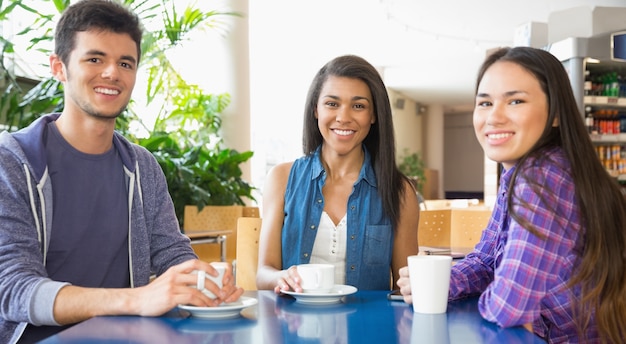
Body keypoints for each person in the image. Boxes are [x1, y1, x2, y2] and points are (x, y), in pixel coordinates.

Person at [0, 1, 243, 342]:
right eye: (95, 59)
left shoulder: (142, 166)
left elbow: (173, 254)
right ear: (59, 67)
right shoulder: (12, 161)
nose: (112, 73)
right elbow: (12, 289)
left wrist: (202, 281)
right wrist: (138, 298)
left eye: (125, 63)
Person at [397, 46, 626, 343]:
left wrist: (458, 289)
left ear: (555, 114)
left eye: (515, 101)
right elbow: (484, 259)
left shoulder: (543, 176)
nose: (494, 117)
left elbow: (508, 307)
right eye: (485, 103)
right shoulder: (517, 174)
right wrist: (439, 282)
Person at [256, 55, 419, 292]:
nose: (343, 117)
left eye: (358, 106)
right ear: (316, 110)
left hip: (368, 326)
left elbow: (406, 286)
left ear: (373, 115)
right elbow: (263, 274)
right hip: (295, 323)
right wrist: (281, 278)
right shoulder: (281, 178)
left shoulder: (399, 191)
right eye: (332, 104)